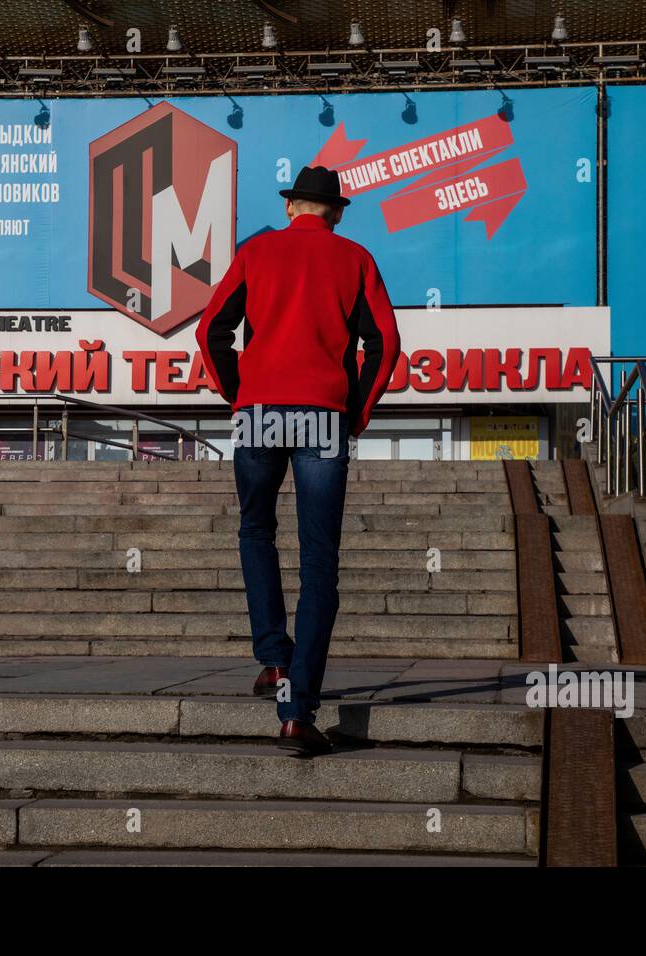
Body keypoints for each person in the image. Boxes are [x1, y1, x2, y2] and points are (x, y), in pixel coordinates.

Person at [196, 166, 401, 756]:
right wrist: (353, 412)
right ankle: (297, 706)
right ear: (336, 212)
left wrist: (240, 392)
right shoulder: (355, 259)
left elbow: (213, 331)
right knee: (319, 561)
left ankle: (272, 657)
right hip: (322, 416)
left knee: (256, 530)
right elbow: (383, 344)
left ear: (291, 209)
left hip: (258, 411)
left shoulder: (256, 253)